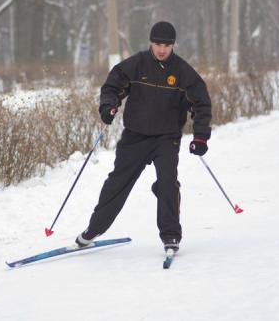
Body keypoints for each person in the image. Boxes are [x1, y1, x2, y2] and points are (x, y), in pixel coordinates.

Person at [76, 21, 212, 252]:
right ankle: (93, 230)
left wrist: (200, 137)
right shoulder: (136, 65)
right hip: (135, 137)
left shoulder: (182, 71)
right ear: (151, 42)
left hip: (166, 138)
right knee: (117, 183)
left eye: (167, 45)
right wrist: (108, 106)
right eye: (158, 44)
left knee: (168, 183)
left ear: (173, 45)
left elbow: (201, 103)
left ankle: (170, 236)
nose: (161, 49)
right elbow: (112, 86)